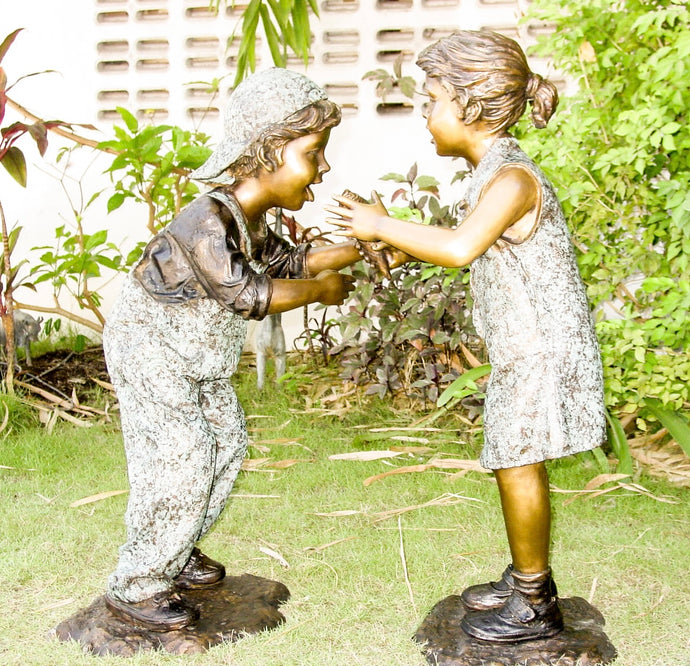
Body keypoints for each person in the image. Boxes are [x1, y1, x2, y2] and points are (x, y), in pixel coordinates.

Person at [327, 31, 606, 643]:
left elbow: (458, 248)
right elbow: (465, 245)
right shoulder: (489, 176)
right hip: (523, 346)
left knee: (516, 461)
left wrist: (381, 222)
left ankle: (534, 601)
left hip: (541, 349)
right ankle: (525, 578)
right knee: (513, 459)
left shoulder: (512, 180)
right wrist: (389, 247)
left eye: (431, 99)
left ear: (471, 104)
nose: (425, 113)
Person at [102, 68, 364, 632]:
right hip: (153, 355)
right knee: (181, 460)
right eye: (314, 152)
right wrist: (321, 291)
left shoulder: (249, 220)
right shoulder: (207, 219)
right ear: (268, 152)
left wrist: (359, 248)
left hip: (196, 361)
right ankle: (138, 583)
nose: (322, 168)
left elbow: (288, 264)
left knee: (226, 443)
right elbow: (249, 293)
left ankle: (176, 545)